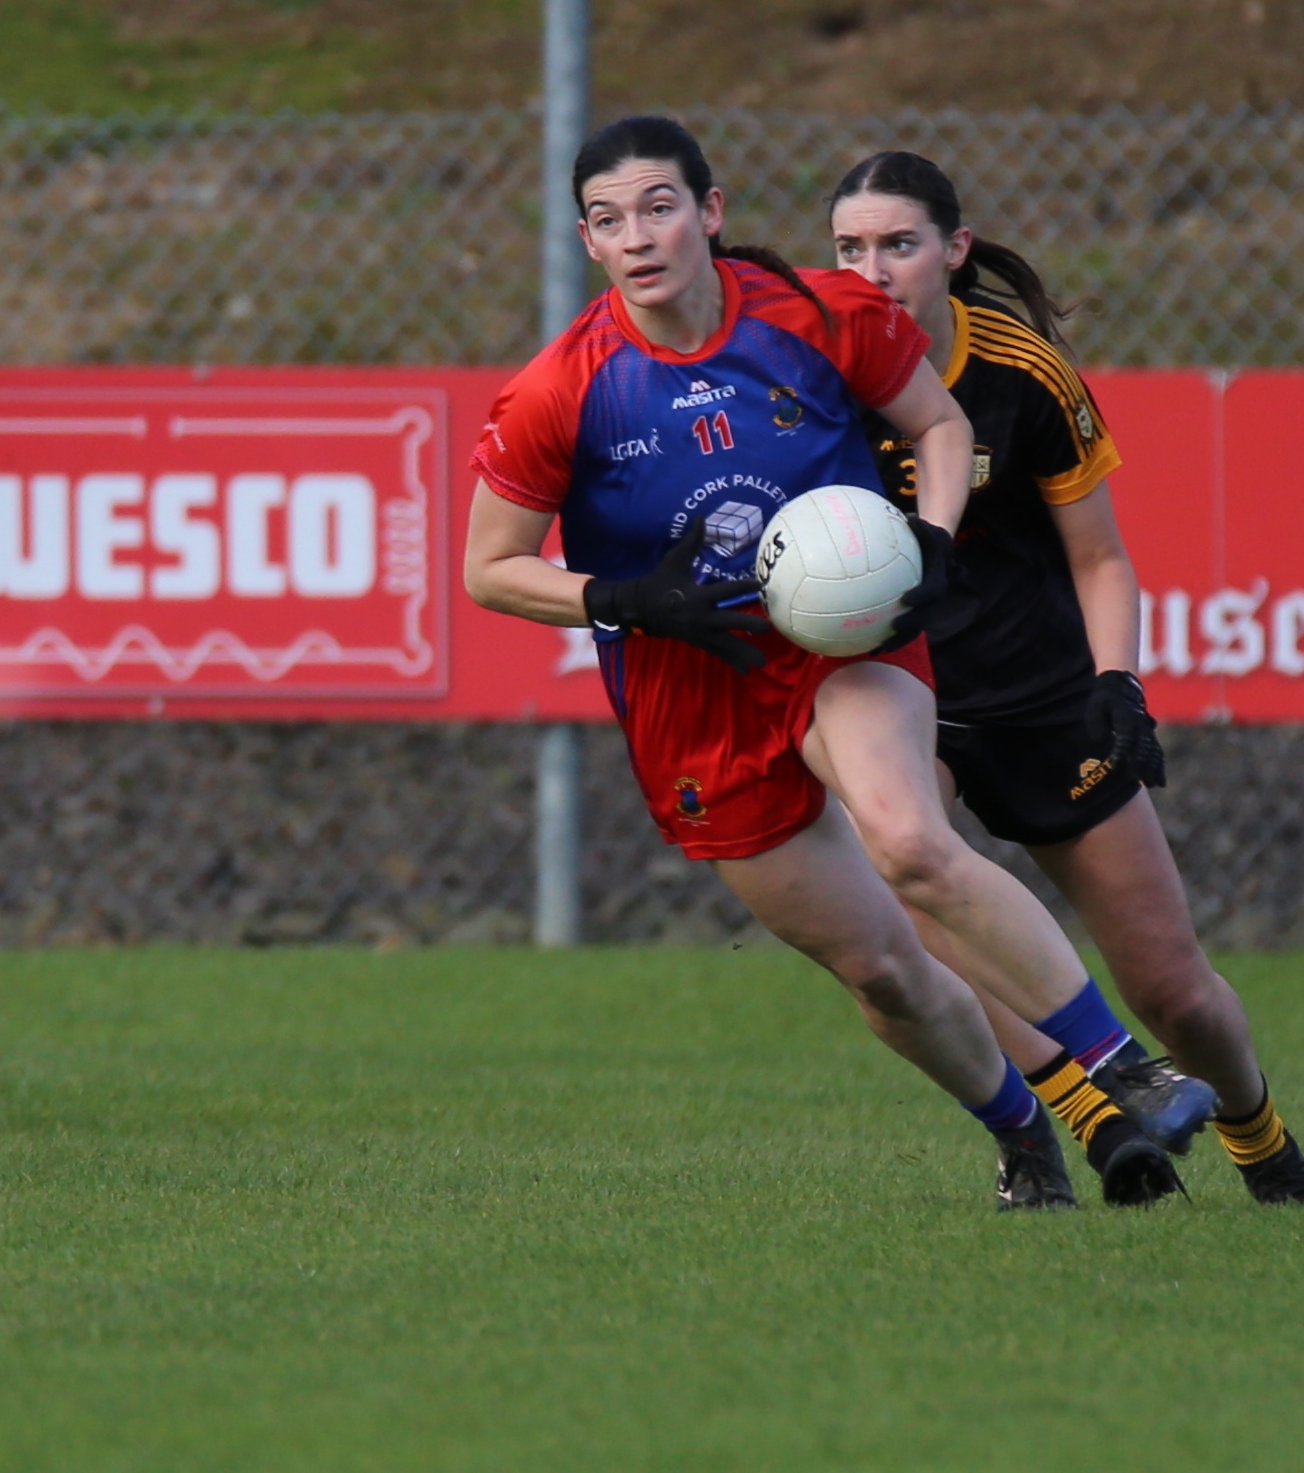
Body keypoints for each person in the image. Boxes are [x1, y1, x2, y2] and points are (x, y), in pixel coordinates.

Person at [463, 115, 1190, 1210]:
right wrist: (622, 599)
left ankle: (1122, 1066)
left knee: (910, 841)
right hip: (690, 693)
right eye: (609, 221)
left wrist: (931, 542)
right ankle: (1020, 1130)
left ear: (710, 212)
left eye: (659, 207)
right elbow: (488, 570)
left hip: (840, 641)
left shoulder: (814, 314)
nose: (638, 237)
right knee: (885, 971)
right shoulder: (561, 388)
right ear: (587, 242)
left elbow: (939, 425)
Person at [829, 151, 1304, 1206]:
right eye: (849, 248)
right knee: (902, 892)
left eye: (898, 244)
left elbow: (1100, 558)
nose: (871, 271)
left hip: (1042, 701)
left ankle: (1261, 1140)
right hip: (900, 694)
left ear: (954, 250)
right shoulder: (808, 368)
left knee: (1174, 993)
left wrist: (1119, 685)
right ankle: (1084, 1120)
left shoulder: (1022, 371)